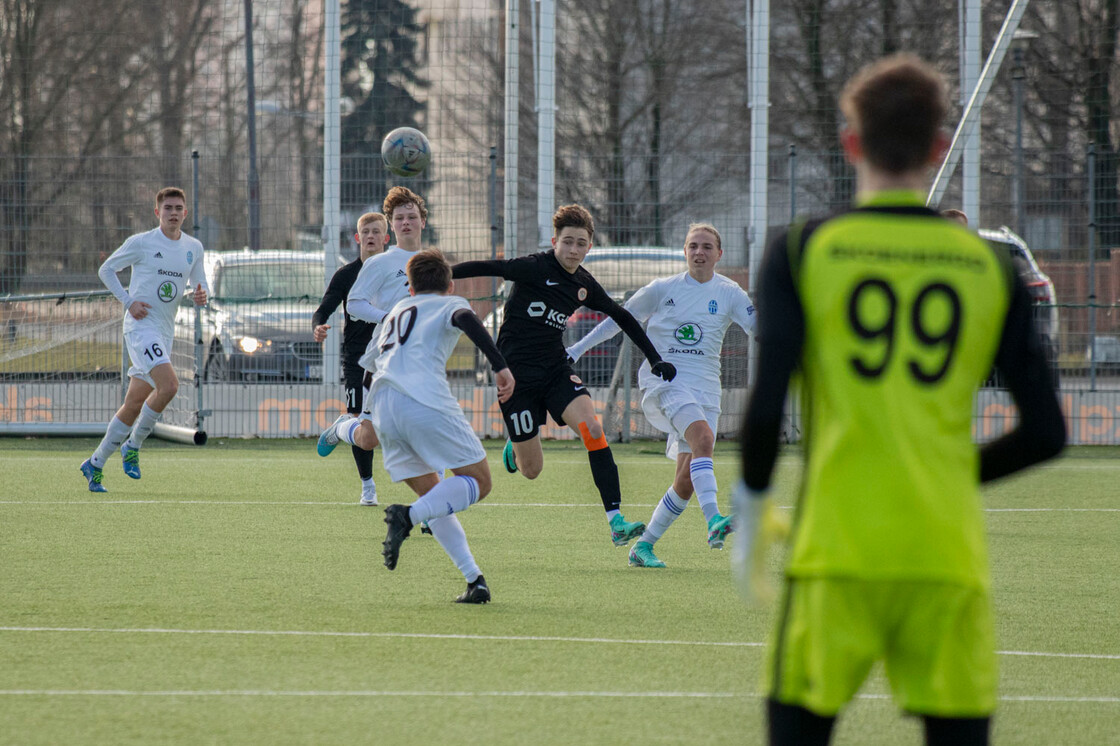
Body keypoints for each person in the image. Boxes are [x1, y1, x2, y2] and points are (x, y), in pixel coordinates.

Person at [734, 54, 1066, 746]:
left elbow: (765, 409)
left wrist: (753, 507)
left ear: (851, 143)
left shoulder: (802, 249)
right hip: (943, 554)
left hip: (836, 552)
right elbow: (1046, 431)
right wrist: (947, 474)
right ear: (939, 148)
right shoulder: (989, 266)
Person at [451, 204, 677, 547]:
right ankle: (517, 445)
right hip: (516, 377)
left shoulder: (584, 283)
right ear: (555, 241)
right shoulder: (533, 267)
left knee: (592, 428)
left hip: (556, 369)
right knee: (532, 471)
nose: (573, 250)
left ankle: (615, 520)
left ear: (589, 246)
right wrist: (439, 277)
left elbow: (623, 317)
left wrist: (654, 358)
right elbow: (488, 266)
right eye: (567, 242)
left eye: (581, 243)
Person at [565, 223, 756, 568]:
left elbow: (760, 329)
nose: (699, 252)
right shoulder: (662, 289)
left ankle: (643, 547)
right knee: (704, 439)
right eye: (693, 246)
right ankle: (714, 520)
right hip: (665, 382)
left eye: (707, 247)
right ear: (684, 251)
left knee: (685, 479)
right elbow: (616, 320)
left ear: (719, 254)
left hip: (707, 389)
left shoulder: (731, 293)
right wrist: (575, 350)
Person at [345, 249, 513, 603]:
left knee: (436, 496)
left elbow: (370, 370)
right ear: (449, 285)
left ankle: (474, 581)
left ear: (409, 288)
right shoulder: (448, 303)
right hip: (423, 399)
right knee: (479, 483)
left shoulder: (395, 313)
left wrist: (368, 416)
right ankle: (407, 517)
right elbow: (469, 321)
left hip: (383, 407)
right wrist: (500, 366)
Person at [79, 187, 209, 492]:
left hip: (165, 330)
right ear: (157, 213)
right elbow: (106, 269)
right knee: (171, 385)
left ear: (185, 213)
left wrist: (202, 295)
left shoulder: (194, 247)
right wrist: (128, 301)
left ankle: (95, 464)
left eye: (178, 208)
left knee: (134, 402)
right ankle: (133, 445)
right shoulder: (142, 242)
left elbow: (200, 286)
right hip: (140, 327)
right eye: (168, 208)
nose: (173, 213)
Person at [316, 186, 426, 469]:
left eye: (411, 217)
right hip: (380, 357)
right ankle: (342, 428)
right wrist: (389, 317)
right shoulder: (380, 263)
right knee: (368, 438)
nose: (406, 222)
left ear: (422, 222)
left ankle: (437, 507)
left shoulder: (432, 261)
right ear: (392, 225)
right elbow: (354, 304)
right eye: (400, 217)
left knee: (426, 427)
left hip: (416, 358)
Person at [311, 211, 390, 506]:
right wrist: (317, 326)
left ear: (386, 238)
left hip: (392, 358)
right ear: (357, 238)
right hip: (358, 360)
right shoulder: (346, 275)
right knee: (361, 422)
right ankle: (368, 487)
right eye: (365, 232)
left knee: (384, 429)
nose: (371, 236)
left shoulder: (397, 271)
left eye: (376, 232)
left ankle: (340, 427)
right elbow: (324, 308)